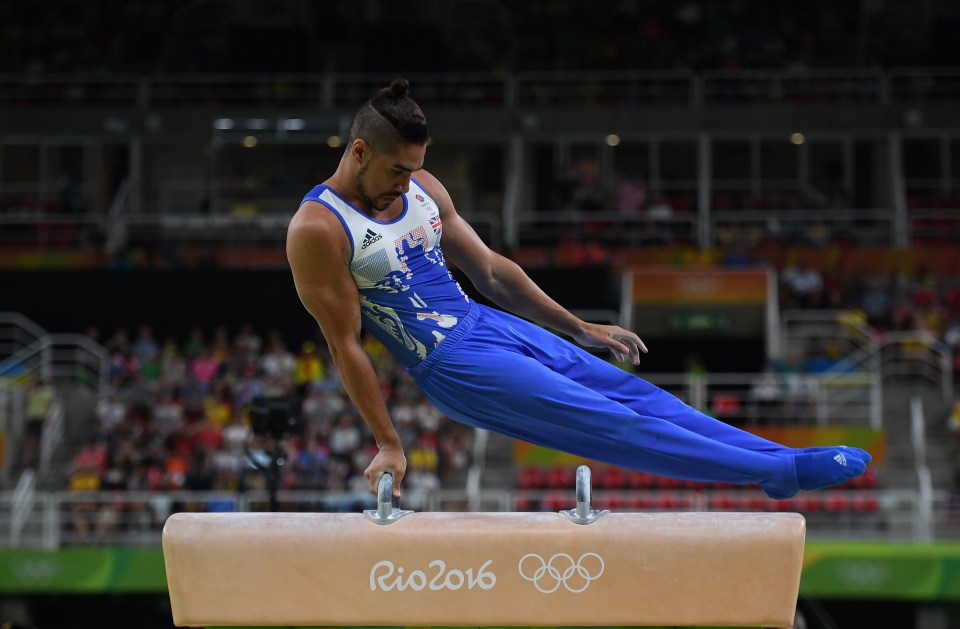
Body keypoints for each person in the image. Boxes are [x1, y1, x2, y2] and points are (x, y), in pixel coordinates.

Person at [286, 78, 871, 501]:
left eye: (415, 169)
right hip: (451, 363)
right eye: (396, 171)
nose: (407, 182)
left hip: (487, 323)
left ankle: (778, 460)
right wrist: (388, 442)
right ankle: (778, 474)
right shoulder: (319, 228)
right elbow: (347, 346)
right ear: (358, 151)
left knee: (637, 395)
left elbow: (490, 270)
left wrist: (579, 328)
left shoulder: (420, 186)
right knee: (607, 420)